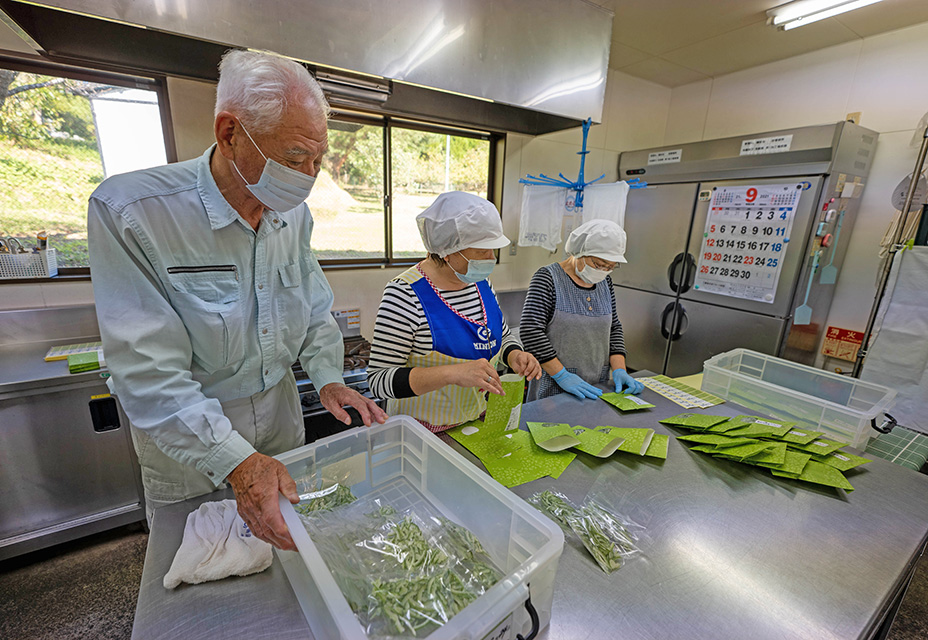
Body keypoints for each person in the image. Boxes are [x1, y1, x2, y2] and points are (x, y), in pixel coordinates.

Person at [87, 50, 386, 551]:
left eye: (318, 159)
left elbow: (313, 307)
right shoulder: (134, 212)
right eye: (295, 158)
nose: (310, 176)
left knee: (289, 552)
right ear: (229, 133)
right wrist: (236, 461)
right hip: (190, 436)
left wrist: (329, 377)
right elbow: (147, 370)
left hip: (280, 415)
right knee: (203, 563)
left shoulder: (293, 217)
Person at [366, 192, 541, 432]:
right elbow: (379, 380)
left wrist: (514, 354)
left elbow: (500, 334)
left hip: (473, 424)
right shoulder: (405, 294)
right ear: (449, 250)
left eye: (493, 250)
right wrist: (452, 373)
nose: (491, 259)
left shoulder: (480, 284)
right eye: (482, 252)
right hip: (421, 433)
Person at [520, 219, 644, 401]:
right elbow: (531, 331)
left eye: (610, 267)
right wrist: (562, 376)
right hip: (554, 385)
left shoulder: (605, 282)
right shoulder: (548, 278)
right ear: (580, 251)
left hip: (597, 385)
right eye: (598, 264)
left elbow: (614, 328)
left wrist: (619, 369)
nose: (603, 271)